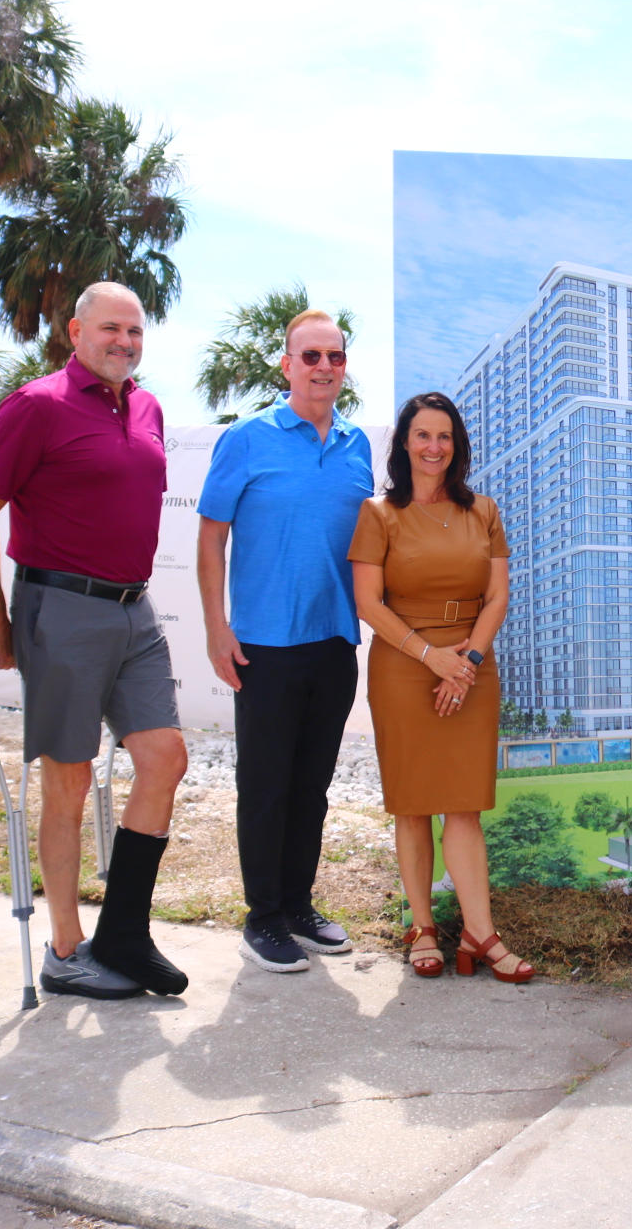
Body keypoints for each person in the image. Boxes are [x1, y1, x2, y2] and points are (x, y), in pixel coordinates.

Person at [0, 282, 189, 1000]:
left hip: (135, 610)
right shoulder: (35, 406)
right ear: (75, 331)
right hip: (60, 607)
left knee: (165, 758)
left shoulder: (148, 406)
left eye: (135, 331)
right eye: (110, 329)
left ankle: (122, 933)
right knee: (69, 780)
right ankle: (66, 949)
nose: (124, 342)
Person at [197, 309, 372, 973]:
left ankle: (298, 905)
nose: (325, 367)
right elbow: (210, 536)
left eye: (335, 356)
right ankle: (263, 917)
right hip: (264, 645)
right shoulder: (247, 439)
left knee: (313, 787)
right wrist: (217, 626)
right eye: (311, 357)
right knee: (266, 785)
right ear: (286, 365)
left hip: (334, 640)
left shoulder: (357, 446)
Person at [349, 392, 531, 983]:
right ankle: (422, 926)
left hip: (471, 663)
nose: (434, 447)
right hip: (405, 666)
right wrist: (432, 657)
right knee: (412, 803)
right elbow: (368, 605)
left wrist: (467, 661)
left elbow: (497, 595)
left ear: (458, 445)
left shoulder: (484, 509)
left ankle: (480, 932)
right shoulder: (379, 513)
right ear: (404, 443)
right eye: (422, 435)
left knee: (463, 805)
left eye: (444, 436)